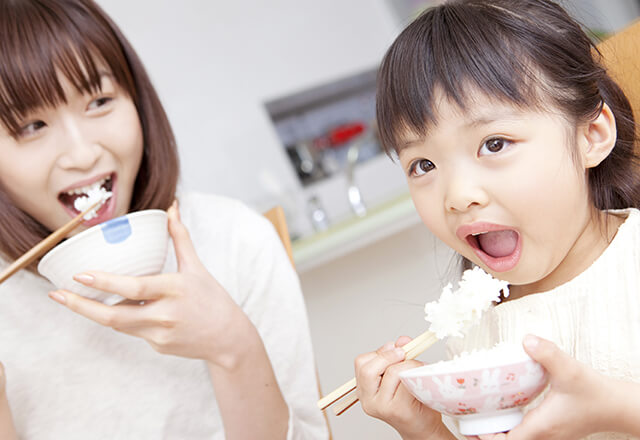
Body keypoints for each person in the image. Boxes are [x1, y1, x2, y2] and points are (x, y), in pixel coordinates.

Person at [0, 0, 328, 439]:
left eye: (100, 101)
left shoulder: (234, 238)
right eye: (31, 126)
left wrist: (233, 348)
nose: (83, 154)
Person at [353, 0, 640, 439]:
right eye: (423, 165)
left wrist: (620, 409)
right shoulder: (475, 339)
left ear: (591, 136)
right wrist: (426, 430)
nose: (458, 196)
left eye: (495, 143)